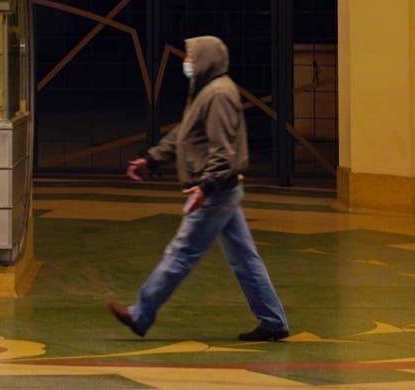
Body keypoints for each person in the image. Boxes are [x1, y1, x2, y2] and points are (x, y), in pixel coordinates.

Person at [106, 34, 290, 342]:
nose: (185, 62)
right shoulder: (205, 91)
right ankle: (273, 320)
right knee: (244, 257)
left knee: (182, 253)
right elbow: (185, 134)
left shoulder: (218, 94)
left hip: (216, 190)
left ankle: (141, 314)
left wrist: (206, 186)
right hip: (223, 188)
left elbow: (222, 149)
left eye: (190, 56)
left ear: (204, 59)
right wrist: (152, 159)